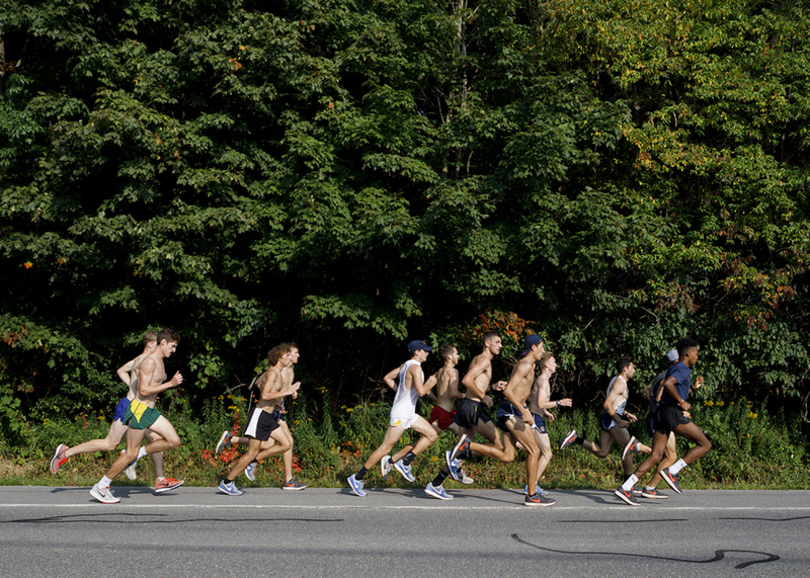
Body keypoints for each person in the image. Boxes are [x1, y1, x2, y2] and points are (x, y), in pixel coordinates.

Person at [50, 332, 172, 488]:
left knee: (157, 439)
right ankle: (65, 453)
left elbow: (121, 370)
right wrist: (142, 389)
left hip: (140, 407)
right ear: (150, 344)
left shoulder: (139, 359)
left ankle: (160, 479)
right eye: (159, 344)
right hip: (131, 407)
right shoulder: (145, 360)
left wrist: (134, 386)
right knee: (110, 444)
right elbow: (136, 371)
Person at [450, 334, 555, 507]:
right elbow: (508, 391)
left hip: (512, 411)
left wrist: (527, 409)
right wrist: (524, 411)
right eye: (542, 347)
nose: (543, 351)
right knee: (535, 451)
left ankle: (467, 447)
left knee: (507, 455)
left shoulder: (530, 365)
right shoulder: (525, 364)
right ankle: (532, 495)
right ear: (534, 348)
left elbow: (519, 391)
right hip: (512, 412)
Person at [89, 328, 185, 504]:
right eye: (172, 346)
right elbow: (143, 390)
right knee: (129, 454)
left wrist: (157, 390)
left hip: (149, 411)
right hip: (140, 410)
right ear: (163, 343)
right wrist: (170, 384)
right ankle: (101, 486)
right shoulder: (149, 362)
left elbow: (149, 387)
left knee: (174, 440)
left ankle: (139, 453)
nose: (174, 350)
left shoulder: (160, 361)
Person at [614, 338, 711, 506]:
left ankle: (626, 487)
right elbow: (668, 384)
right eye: (695, 353)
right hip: (671, 413)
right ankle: (672, 471)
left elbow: (673, 386)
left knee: (656, 455)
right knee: (704, 444)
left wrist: (692, 388)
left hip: (661, 413)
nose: (697, 356)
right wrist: (681, 402)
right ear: (687, 353)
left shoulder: (674, 368)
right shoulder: (683, 368)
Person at [347, 340, 438, 497]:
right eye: (425, 350)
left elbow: (388, 378)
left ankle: (405, 462)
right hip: (401, 413)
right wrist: (431, 382)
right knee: (385, 448)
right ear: (417, 352)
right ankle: (357, 478)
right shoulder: (415, 367)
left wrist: (400, 393)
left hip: (409, 413)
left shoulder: (405, 365)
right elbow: (422, 392)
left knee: (432, 435)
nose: (427, 353)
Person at [214, 343, 307, 490]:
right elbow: (264, 395)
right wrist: (287, 392)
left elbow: (267, 393)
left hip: (269, 416)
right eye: (287, 355)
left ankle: (250, 458)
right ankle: (227, 482)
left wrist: (275, 402)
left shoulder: (279, 372)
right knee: (252, 453)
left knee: (286, 444)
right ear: (278, 357)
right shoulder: (272, 373)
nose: (290, 357)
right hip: (260, 416)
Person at [559, 356, 652, 487]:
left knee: (603, 452)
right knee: (630, 447)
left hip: (609, 418)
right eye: (632, 367)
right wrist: (619, 420)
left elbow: (614, 404)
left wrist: (626, 413)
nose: (634, 370)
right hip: (612, 420)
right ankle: (629, 483)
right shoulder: (620, 384)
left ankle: (575, 439)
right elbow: (607, 404)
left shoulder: (616, 380)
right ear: (625, 369)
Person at [523, 352, 571, 496]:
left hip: (536, 416)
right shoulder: (543, 381)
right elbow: (539, 402)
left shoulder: (541, 380)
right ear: (546, 365)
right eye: (553, 362)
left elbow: (532, 398)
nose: (555, 365)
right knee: (547, 453)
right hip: (535, 419)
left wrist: (545, 412)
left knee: (533, 450)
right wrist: (559, 403)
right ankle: (532, 485)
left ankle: (532, 484)